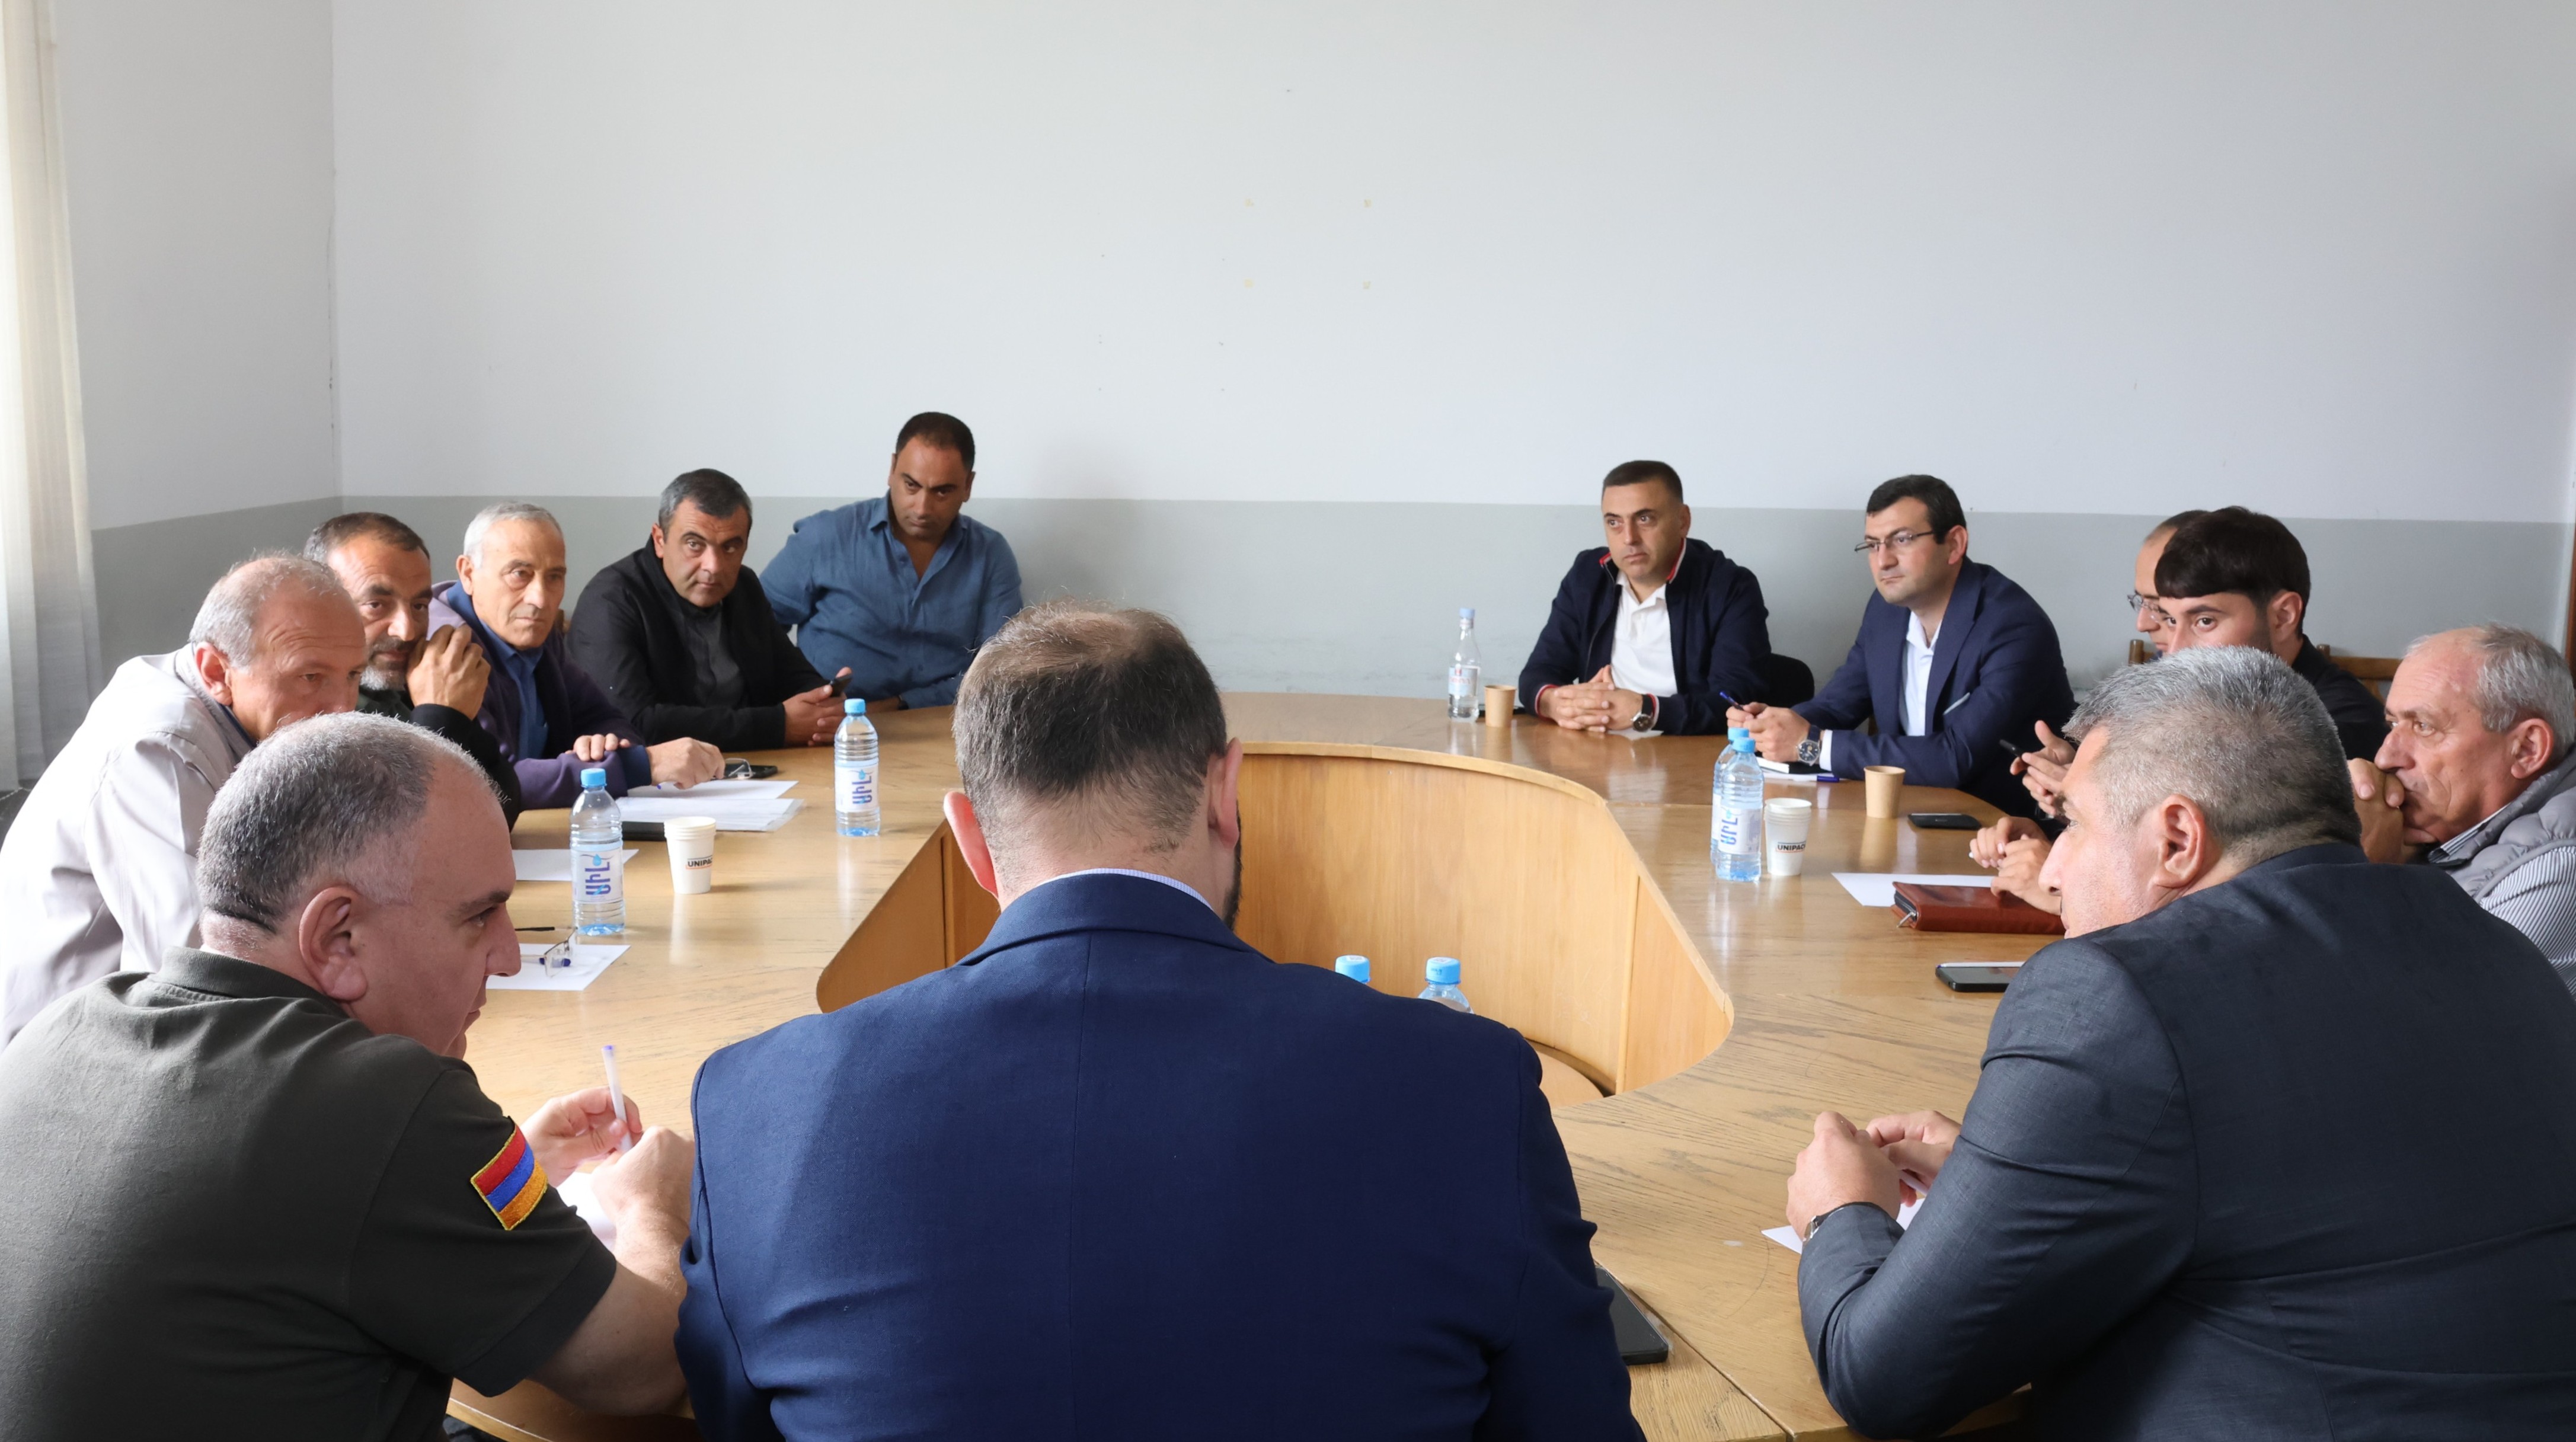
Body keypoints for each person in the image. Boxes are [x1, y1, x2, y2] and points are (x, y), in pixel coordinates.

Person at [675, 601, 1642, 1439]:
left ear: (969, 837)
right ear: (1225, 793)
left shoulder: (757, 1104)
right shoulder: (1465, 1085)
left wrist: (644, 1226)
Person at [1783, 647, 2576, 1440]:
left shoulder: (2112, 993)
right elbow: (2320, 1201)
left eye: (2074, 824)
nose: (2052, 870)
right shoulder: (2494, 943)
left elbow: (1883, 1378)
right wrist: (2019, 1183)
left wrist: (1841, 1212)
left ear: (2175, 840)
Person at [0, 714, 695, 1439]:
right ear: (338, 938)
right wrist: (654, 1203)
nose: (510, 955)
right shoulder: (384, 1104)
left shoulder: (63, 1028)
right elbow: (643, 1366)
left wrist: (493, 1173)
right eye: (480, 916)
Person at [0, 555, 365, 1043]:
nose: (342, 708)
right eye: (310, 677)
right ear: (216, 671)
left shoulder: (262, 720)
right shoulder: (160, 747)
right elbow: (200, 971)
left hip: (149, 1029)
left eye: (354, 675)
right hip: (65, 1054)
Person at [1731, 475, 2074, 816]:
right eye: (1873, 545)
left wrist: (1812, 745)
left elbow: (1955, 757)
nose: (1883, 561)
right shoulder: (1886, 613)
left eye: (1902, 540)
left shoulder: (2012, 625)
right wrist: (1772, 726)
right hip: (1908, 811)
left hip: (2000, 825)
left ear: (1955, 544)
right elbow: (1837, 706)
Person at [429, 503, 721, 808]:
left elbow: (603, 718)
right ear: (468, 574)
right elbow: (489, 782)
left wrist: (603, 744)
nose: (541, 599)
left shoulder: (529, 629)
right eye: (520, 574)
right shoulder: (447, 649)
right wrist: (642, 764)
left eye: (554, 577)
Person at [2350, 624, 2576, 993]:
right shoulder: (2442, 828)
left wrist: (2353, 866)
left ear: (2527, 749)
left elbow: (2412, 1008)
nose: (2385, 757)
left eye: (2424, 727)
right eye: (2392, 724)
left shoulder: (2558, 869)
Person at [570, 469, 850, 750]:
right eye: (694, 544)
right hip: (660, 775)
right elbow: (633, 724)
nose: (714, 567)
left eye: (730, 548)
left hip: (753, 765)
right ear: (660, 540)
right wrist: (779, 725)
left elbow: (789, 673)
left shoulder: (744, 586)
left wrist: (822, 704)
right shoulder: (611, 601)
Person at [760, 411, 1024, 710]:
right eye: (911, 485)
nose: (922, 508)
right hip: (828, 723)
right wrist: (794, 701)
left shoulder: (991, 555)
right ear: (892, 469)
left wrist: (899, 706)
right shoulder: (825, 537)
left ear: (968, 486)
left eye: (942, 491)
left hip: (946, 721)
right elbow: (753, 631)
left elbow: (1000, 668)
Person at [1517, 460, 1776, 733]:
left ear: (1683, 521)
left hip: (1685, 749)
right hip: (1599, 744)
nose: (1629, 538)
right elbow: (1539, 671)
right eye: (1614, 522)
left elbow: (1736, 702)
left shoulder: (1730, 586)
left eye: (1644, 519)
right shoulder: (1588, 575)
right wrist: (1555, 704)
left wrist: (1647, 711)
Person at [306, 511, 523, 820]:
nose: (407, 631)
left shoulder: (415, 681)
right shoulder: (309, 711)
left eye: (419, 606)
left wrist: (450, 716)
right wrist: (441, 717)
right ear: (318, 607)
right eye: (376, 605)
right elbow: (392, 831)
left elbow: (501, 810)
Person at [2153, 505, 2387, 759]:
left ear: (2283, 617)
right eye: (2171, 620)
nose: (2175, 651)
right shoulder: (2191, 693)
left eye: (2205, 621)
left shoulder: (2343, 727)